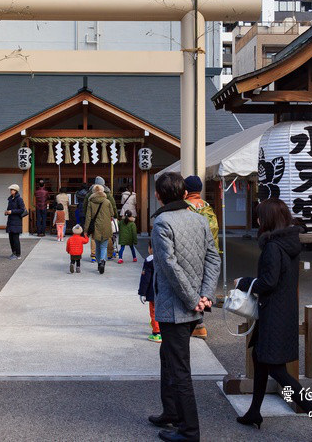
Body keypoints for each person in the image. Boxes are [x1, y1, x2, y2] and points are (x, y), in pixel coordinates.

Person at [235, 198, 312, 441]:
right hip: (282, 312)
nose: (257, 220)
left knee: (278, 372)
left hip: (273, 315)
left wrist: (244, 282)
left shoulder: (272, 246)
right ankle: (254, 412)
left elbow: (268, 282)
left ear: (267, 219)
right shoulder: (288, 242)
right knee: (259, 358)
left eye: (259, 216)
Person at [147, 172, 220, 442]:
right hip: (193, 305)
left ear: (158, 195)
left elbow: (169, 267)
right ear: (183, 193)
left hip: (175, 307)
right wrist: (205, 296)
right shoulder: (200, 220)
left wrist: (193, 299)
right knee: (168, 358)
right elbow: (214, 258)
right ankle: (170, 412)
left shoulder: (162, 223)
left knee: (179, 369)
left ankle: (189, 431)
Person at [183, 175, 219, 340]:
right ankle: (199, 324)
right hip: (210, 254)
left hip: (192, 254)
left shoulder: (186, 208)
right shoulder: (208, 208)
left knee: (190, 287)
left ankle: (197, 324)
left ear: (185, 190)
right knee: (203, 287)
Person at [83, 184, 116, 274]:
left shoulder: (91, 202)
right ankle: (102, 261)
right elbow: (112, 213)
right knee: (104, 246)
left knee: (97, 246)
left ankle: (99, 263)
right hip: (106, 226)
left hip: (95, 227)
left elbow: (88, 217)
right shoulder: (107, 201)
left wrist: (85, 230)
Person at [138, 240, 161, 343]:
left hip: (153, 292)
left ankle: (156, 333)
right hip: (165, 292)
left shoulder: (149, 261)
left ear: (151, 249)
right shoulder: (166, 259)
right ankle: (163, 330)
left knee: (154, 312)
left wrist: (142, 293)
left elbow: (145, 278)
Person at [5, 184, 26, 260]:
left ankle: (18, 254)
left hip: (16, 221)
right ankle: (13, 252)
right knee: (11, 238)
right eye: (10, 190)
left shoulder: (19, 199)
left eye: (12, 190)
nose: (11, 191)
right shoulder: (10, 199)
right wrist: (7, 212)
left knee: (15, 238)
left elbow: (22, 210)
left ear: (16, 190)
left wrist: (12, 211)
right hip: (10, 221)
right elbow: (9, 208)